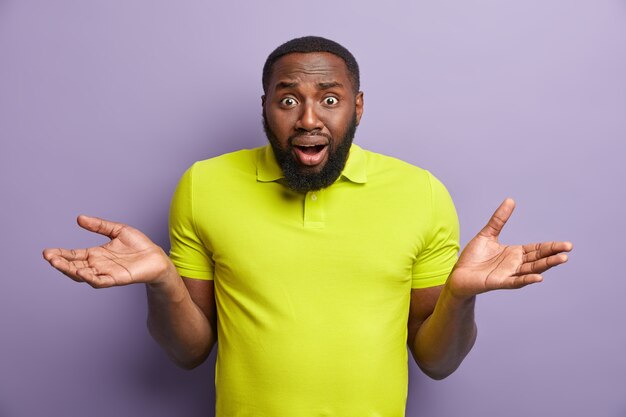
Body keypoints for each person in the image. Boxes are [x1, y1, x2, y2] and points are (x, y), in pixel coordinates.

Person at [43, 36, 572, 416]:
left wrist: (460, 296)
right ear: (266, 108)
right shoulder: (204, 185)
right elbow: (189, 352)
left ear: (358, 107)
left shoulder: (421, 193)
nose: (309, 119)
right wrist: (161, 282)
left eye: (331, 99)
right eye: (289, 99)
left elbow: (437, 363)